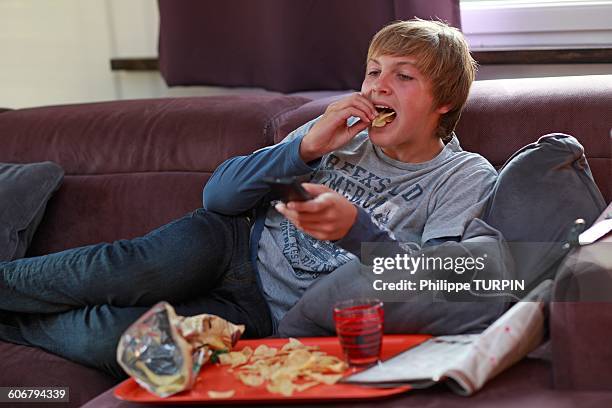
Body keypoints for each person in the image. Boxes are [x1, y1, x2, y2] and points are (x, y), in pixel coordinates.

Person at [0, 19, 496, 378]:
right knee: (126, 269)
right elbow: (218, 195)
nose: (378, 86)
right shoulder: (336, 131)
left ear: (445, 100)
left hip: (268, 318)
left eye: (403, 76)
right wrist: (305, 147)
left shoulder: (462, 175)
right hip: (229, 244)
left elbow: (435, 282)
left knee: (108, 339)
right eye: (372, 72)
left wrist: (357, 230)